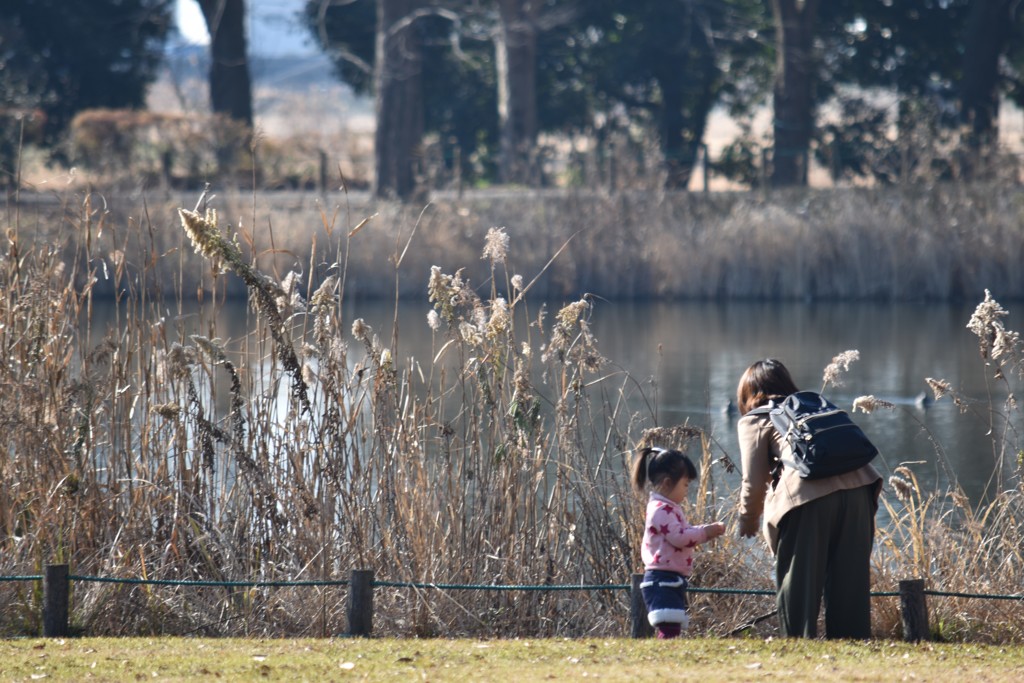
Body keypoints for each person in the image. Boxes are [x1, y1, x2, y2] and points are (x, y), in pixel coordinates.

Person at [735, 358, 883, 639]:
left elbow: (753, 481)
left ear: (748, 393)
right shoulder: (817, 405)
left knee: (798, 591)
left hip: (807, 500)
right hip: (860, 492)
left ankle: (798, 651)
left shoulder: (756, 419)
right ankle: (852, 655)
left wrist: (747, 519)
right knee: (849, 589)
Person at [632, 445, 726, 639]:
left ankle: (665, 654)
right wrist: (705, 532)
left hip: (670, 578)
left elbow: (681, 533)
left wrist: (705, 531)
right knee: (669, 626)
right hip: (661, 579)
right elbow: (679, 537)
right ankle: (663, 656)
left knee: (671, 625)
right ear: (667, 483)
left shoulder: (668, 508)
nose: (687, 491)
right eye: (685, 485)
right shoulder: (660, 510)